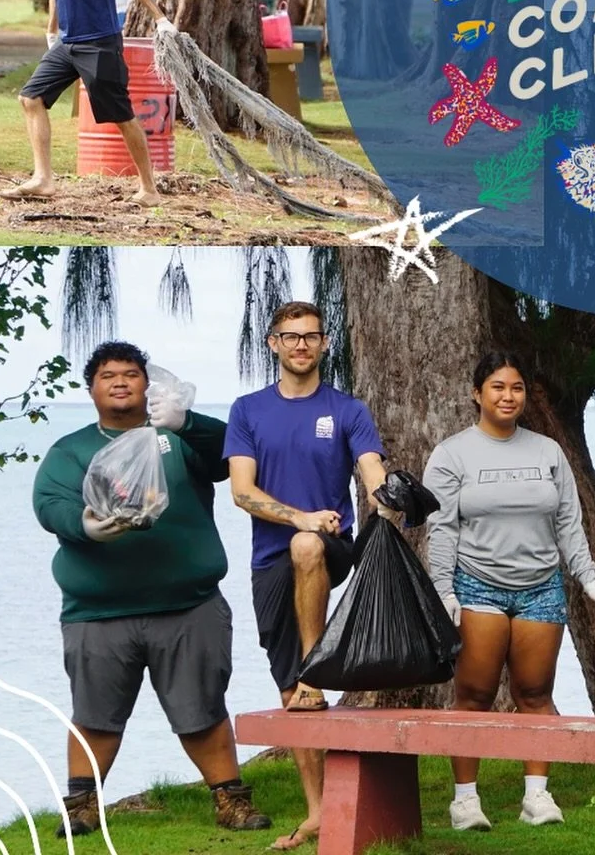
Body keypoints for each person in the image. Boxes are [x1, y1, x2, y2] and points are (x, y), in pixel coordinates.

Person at [33, 341, 270, 837]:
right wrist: (84, 524)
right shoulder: (71, 450)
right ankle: (81, 807)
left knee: (203, 710)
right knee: (95, 716)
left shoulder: (176, 436)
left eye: (131, 374)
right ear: (91, 389)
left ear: (147, 384)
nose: (120, 382)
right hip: (98, 612)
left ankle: (231, 801)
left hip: (188, 606)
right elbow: (50, 503)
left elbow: (231, 454)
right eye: (108, 376)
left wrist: (187, 423)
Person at [225, 301, 394, 852]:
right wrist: (298, 515)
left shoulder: (346, 409)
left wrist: (386, 496)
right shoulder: (248, 410)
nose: (301, 344)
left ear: (324, 344)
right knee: (287, 686)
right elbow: (242, 492)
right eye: (291, 336)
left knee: (307, 546)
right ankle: (319, 812)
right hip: (270, 558)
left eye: (311, 336)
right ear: (273, 343)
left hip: (330, 544)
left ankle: (315, 671)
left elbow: (370, 468)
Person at [425, 351, 595, 832]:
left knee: (535, 692)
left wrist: (587, 577)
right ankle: (465, 800)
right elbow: (441, 528)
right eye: (497, 387)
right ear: (477, 394)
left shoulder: (547, 451)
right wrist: (443, 588)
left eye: (517, 388)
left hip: (540, 587)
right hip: (477, 584)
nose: (508, 396)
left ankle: (537, 795)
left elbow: (568, 520)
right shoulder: (452, 454)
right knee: (474, 694)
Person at [3, 0, 173, 206]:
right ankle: (43, 179)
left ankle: (149, 189)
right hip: (67, 43)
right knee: (30, 98)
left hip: (99, 42)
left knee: (121, 115)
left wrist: (160, 19)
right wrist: (52, 29)